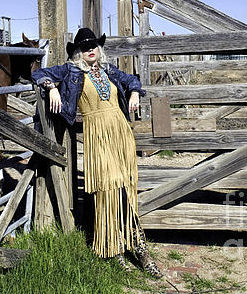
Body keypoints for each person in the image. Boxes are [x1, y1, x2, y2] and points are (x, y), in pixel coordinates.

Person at [32, 28, 162, 277]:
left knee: (125, 187)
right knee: (107, 188)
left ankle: (139, 246)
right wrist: (52, 88)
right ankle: (113, 247)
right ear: (78, 52)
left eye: (93, 46)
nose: (90, 50)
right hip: (97, 134)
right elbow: (39, 73)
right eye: (84, 47)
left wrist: (134, 92)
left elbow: (133, 80)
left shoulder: (109, 70)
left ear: (99, 49)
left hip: (120, 133)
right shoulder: (70, 71)